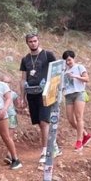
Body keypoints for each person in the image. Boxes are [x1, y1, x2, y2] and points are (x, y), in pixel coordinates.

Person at [17, 32, 59, 166]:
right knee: (39, 123)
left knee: (44, 121)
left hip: (45, 93)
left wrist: (54, 89)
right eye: (30, 41)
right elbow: (23, 79)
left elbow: (57, 71)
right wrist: (22, 97)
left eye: (35, 41)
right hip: (31, 93)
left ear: (38, 41)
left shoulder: (48, 55)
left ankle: (45, 151)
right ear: (27, 43)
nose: (33, 43)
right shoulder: (25, 59)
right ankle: (53, 145)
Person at [62, 50, 91, 150]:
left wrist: (75, 76)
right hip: (68, 95)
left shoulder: (79, 67)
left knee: (79, 117)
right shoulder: (64, 70)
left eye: (69, 60)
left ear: (73, 58)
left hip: (79, 93)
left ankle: (79, 141)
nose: (68, 62)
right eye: (66, 61)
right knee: (70, 119)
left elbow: (87, 79)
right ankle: (85, 134)